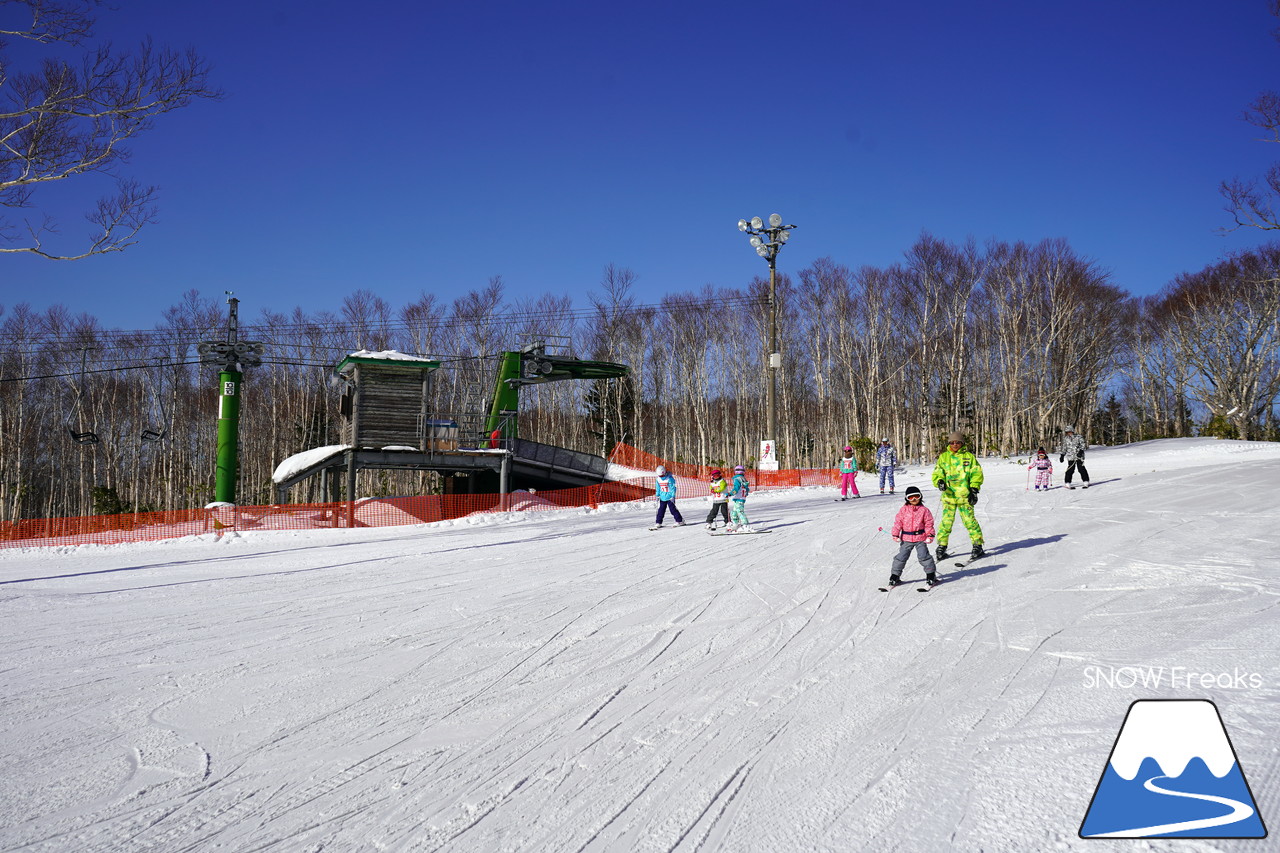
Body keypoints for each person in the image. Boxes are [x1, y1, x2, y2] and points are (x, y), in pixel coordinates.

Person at [932, 430, 985, 561]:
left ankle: (977, 545)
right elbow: (937, 473)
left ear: (962, 443)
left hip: (965, 496)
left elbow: (976, 473)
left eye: (957, 442)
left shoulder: (969, 457)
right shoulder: (944, 457)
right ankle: (941, 546)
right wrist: (940, 482)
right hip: (949, 497)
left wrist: (974, 489)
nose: (955, 444)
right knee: (946, 522)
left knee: (970, 521)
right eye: (952, 442)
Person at [887, 486, 938, 587]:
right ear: (907, 498)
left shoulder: (924, 510)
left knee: (924, 557)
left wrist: (930, 535)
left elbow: (929, 523)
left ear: (920, 497)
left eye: (916, 496)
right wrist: (895, 534)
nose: (914, 499)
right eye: (911, 497)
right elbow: (898, 522)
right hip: (906, 539)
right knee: (901, 557)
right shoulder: (903, 510)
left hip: (920, 538)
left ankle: (931, 575)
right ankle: (895, 576)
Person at [727, 464, 751, 531]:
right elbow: (747, 489)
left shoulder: (737, 479)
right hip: (740, 498)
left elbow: (736, 488)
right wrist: (745, 494)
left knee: (740, 511)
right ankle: (736, 524)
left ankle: (745, 525)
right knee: (734, 512)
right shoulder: (743, 479)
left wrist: (730, 493)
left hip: (739, 498)